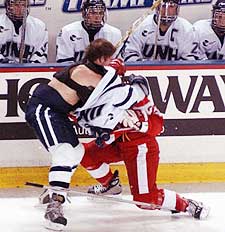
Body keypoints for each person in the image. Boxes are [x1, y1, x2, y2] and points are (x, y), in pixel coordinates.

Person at [25, 38, 147, 231]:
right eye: (109, 59)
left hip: (58, 113)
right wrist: (120, 73)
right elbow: (120, 92)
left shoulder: (96, 72)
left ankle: (104, 185)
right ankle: (55, 205)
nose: (111, 62)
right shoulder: (85, 72)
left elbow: (93, 107)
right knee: (64, 152)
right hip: (43, 109)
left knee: (77, 152)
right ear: (101, 59)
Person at [122, 0, 199, 61]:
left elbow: (190, 60)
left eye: (171, 6)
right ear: (156, 6)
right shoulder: (140, 25)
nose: (166, 11)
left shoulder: (187, 29)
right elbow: (129, 54)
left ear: (177, 8)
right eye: (163, 6)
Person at [56, 0, 122, 63]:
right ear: (83, 14)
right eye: (93, 13)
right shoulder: (68, 31)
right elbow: (64, 63)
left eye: (100, 13)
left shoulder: (114, 33)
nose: (97, 17)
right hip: (76, 73)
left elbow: (116, 63)